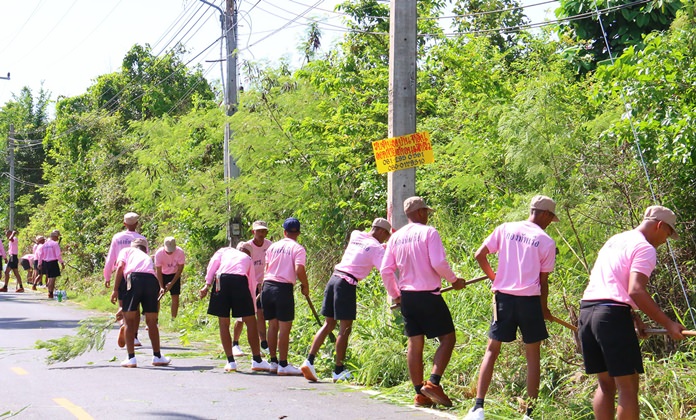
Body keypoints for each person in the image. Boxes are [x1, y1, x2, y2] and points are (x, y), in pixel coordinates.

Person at [578, 205, 685, 419]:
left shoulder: (616, 240)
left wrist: (633, 317)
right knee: (627, 387)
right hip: (610, 316)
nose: (665, 240)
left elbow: (611, 282)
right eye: (667, 233)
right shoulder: (645, 248)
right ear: (659, 225)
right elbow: (635, 289)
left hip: (588, 312)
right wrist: (669, 324)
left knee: (606, 385)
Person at [464, 195, 559, 420]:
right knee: (532, 356)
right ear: (544, 214)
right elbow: (543, 282)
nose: (549, 223)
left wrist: (495, 278)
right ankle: (530, 415)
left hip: (503, 299)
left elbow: (480, 255)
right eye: (550, 218)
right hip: (529, 302)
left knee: (492, 350)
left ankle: (478, 408)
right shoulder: (545, 241)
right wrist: (544, 309)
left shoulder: (506, 228)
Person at [380, 197, 466, 408]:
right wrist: (454, 281)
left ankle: (419, 393)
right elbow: (438, 262)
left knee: (415, 343)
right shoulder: (429, 233)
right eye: (425, 212)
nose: (427, 215)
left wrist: (396, 294)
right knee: (448, 338)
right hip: (428, 295)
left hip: (407, 297)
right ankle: (433, 383)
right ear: (419, 213)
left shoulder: (396, 238)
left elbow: (385, 270)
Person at [301, 217, 392, 383]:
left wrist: (382, 247)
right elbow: (384, 268)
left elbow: (367, 248)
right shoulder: (376, 248)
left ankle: (309, 360)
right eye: (385, 235)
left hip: (334, 279)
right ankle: (338, 370)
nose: (385, 239)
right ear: (380, 231)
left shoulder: (356, 235)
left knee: (328, 324)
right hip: (347, 284)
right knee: (345, 329)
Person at [199, 241, 272, 373]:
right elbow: (251, 284)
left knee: (223, 322)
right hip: (239, 280)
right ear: (248, 252)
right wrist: (252, 307)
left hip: (221, 280)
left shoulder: (224, 251)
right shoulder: (248, 259)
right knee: (250, 322)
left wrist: (207, 284)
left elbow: (212, 266)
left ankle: (231, 362)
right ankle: (257, 360)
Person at [110, 238, 170, 368]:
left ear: (133, 246)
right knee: (151, 321)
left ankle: (131, 358)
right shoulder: (147, 257)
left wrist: (115, 290)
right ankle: (157, 356)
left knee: (129, 321)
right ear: (145, 249)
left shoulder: (126, 250)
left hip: (134, 279)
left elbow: (120, 267)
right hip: (151, 280)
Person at [261, 217, 310, 376]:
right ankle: (283, 364)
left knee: (272, 325)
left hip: (267, 286)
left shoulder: (272, 247)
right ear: (298, 233)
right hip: (283, 289)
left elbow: (267, 268)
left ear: (284, 232)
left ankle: (273, 362)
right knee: (284, 328)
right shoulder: (298, 248)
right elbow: (299, 269)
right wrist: (305, 285)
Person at [104, 212, 148, 347]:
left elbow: (111, 257)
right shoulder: (142, 239)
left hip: (121, 274)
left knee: (123, 306)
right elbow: (146, 258)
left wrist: (107, 275)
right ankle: (134, 337)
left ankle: (123, 324)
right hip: (137, 274)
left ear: (124, 224)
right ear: (137, 224)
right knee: (136, 306)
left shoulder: (117, 238)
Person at [231, 220, 272, 357]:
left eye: (264, 231)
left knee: (261, 314)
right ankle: (235, 343)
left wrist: (265, 282)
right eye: (258, 231)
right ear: (253, 232)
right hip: (247, 284)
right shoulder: (246, 247)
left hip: (263, 283)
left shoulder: (269, 246)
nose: (261, 233)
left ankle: (264, 344)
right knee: (243, 316)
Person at [154, 237, 185, 319]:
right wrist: (161, 286)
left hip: (175, 274)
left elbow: (180, 269)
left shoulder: (180, 252)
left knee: (175, 298)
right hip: (162, 274)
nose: (170, 252)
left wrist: (172, 283)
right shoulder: (159, 253)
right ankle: (155, 319)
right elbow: (158, 270)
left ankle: (173, 319)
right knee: (157, 297)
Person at [37, 230, 65, 300]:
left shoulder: (44, 245)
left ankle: (49, 292)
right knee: (52, 278)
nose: (58, 238)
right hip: (53, 262)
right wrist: (61, 263)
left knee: (49, 277)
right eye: (57, 237)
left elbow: (40, 255)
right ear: (54, 237)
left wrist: (39, 263)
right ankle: (50, 292)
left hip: (45, 262)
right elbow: (58, 255)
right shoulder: (55, 244)